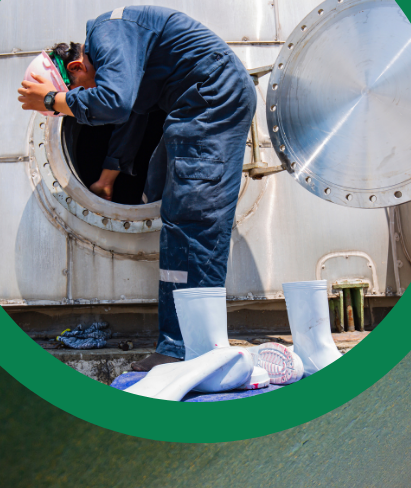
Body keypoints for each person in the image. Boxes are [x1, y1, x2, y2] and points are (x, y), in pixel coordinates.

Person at [17, 8, 257, 371]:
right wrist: (107, 177)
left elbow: (114, 104)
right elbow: (133, 115)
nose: (84, 98)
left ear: (76, 69)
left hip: (211, 101)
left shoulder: (105, 34)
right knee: (160, 186)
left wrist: (52, 102)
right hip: (194, 106)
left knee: (193, 219)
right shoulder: (120, 46)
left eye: (80, 91)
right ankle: (186, 338)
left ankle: (188, 347)